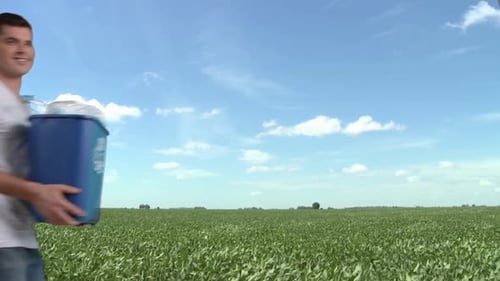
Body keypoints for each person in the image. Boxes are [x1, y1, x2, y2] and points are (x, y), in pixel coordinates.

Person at [0, 12, 84, 281]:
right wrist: (36, 192)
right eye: (11, 41)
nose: (22, 49)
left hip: (23, 240)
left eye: (28, 42)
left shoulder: (23, 108)